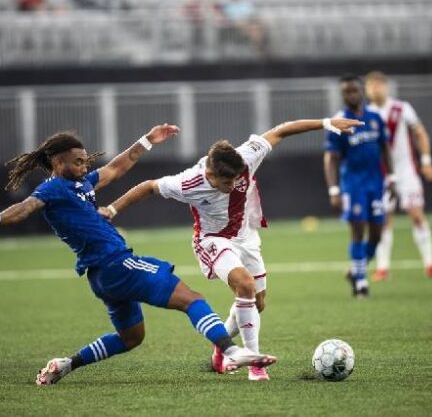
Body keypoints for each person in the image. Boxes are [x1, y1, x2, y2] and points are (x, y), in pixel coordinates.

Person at [0, 125, 277, 386]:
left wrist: (148, 140)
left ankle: (66, 365)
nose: (84, 167)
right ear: (57, 161)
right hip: (115, 263)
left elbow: (115, 168)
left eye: (85, 161)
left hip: (101, 276)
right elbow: (25, 208)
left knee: (131, 338)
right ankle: (230, 350)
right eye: (78, 162)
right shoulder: (52, 188)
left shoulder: (80, 184)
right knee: (192, 299)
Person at [99, 116, 362, 381]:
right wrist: (111, 209)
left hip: (247, 237)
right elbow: (149, 187)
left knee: (257, 304)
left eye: (237, 180)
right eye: (228, 183)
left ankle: (221, 346)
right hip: (212, 240)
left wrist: (326, 123)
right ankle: (255, 366)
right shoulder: (188, 182)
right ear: (211, 175)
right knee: (244, 285)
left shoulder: (246, 156)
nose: (234, 185)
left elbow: (280, 132)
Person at [365, 71, 432, 280]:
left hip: (406, 171)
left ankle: (430, 264)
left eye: (378, 84)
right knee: (383, 220)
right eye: (371, 85)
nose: (375, 89)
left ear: (386, 87)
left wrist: (426, 161)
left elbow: (420, 132)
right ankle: (383, 268)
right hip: (380, 175)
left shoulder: (402, 108)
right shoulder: (364, 113)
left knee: (417, 215)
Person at [324, 74, 395, 298]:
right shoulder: (338, 122)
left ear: (362, 91)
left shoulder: (375, 118)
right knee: (357, 231)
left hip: (376, 183)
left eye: (354, 90)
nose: (351, 95)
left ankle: (355, 269)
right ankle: (361, 282)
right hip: (353, 185)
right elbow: (331, 158)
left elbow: (385, 148)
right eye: (346, 92)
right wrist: (334, 189)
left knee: (376, 234)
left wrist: (391, 177)